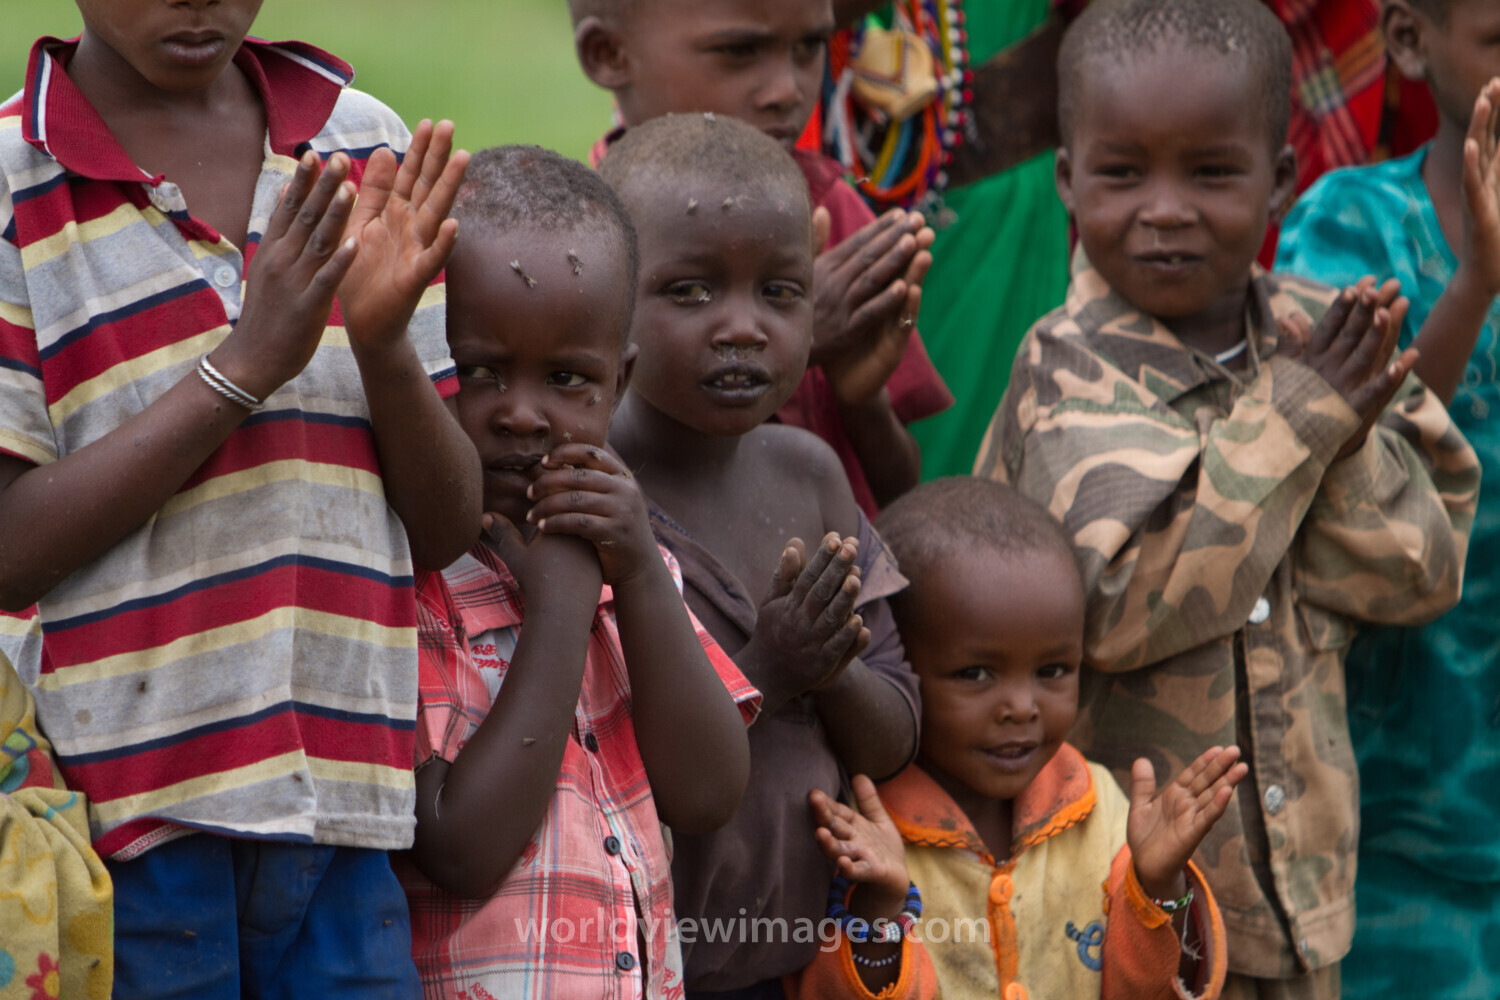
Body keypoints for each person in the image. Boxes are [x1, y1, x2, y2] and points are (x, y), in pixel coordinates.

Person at [973, 1, 1481, 997]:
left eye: (1211, 172)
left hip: (1303, 895)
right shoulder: (1066, 372)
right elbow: (1120, 608)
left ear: (1280, 179)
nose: (1166, 209)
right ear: (1069, 178)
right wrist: (1299, 422)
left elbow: (1420, 568)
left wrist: (1327, 429)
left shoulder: (1317, 333)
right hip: (1122, 911)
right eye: (1123, 172)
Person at [0, 2, 482, 996]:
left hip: (346, 821)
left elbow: (443, 528)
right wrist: (243, 367)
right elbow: (10, 546)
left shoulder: (361, 147)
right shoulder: (15, 183)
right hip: (126, 828)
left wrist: (386, 347)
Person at [392, 146, 758, 1000]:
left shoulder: (630, 558)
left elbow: (706, 791)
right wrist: (560, 608)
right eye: (478, 371)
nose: (521, 414)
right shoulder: (409, 581)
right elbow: (458, 847)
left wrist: (632, 576)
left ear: (618, 382)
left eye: (566, 379)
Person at [598, 113, 922, 997]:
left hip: (808, 962)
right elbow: (614, 767)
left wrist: (831, 671)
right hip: (640, 957)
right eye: (692, 292)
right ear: (609, 295)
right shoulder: (595, 489)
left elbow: (891, 738)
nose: (742, 328)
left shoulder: (810, 475)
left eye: (780, 292)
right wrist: (768, 669)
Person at [790, 477, 1241, 1000]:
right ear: (897, 672)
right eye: (977, 674)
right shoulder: (860, 832)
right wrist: (879, 911)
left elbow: (1147, 990)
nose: (1023, 708)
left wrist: (1159, 887)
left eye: (1053, 670)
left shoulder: (1100, 811)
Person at [1274, 3, 1500, 996]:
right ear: (1409, 42)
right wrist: (1477, 286)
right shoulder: (1346, 224)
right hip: (1400, 806)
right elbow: (1333, 464)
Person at [570, 0, 954, 516]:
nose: (788, 91)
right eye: (740, 50)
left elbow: (898, 491)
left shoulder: (832, 211)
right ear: (609, 54)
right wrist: (800, 337)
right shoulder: (581, 238)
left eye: (808, 47)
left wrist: (861, 401)